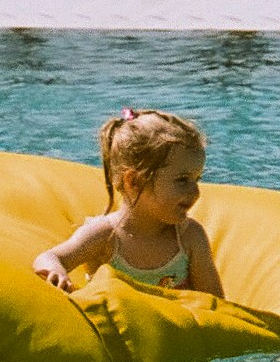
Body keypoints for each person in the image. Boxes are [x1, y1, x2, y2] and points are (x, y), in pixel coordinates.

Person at [34, 108, 226, 297]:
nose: (195, 192)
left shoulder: (189, 237)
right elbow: (49, 257)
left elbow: (216, 303)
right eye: (182, 180)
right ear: (134, 181)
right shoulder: (104, 236)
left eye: (197, 179)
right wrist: (56, 272)